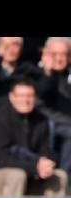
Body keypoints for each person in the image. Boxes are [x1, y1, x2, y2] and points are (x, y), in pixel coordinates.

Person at [0, 77, 67, 197]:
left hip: (30, 174)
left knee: (59, 176)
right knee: (16, 175)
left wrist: (47, 165)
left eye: (30, 96)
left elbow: (45, 152)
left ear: (35, 98)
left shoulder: (42, 120)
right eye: (21, 96)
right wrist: (34, 167)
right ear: (12, 97)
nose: (25, 100)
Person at [0, 37, 41, 122]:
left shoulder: (27, 69)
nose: (10, 49)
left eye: (15, 45)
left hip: (22, 120)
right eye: (5, 45)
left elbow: (42, 86)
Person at [36, 37, 71, 181]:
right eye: (54, 54)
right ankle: (64, 180)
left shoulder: (67, 75)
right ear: (45, 54)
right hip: (42, 122)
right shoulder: (34, 72)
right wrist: (48, 73)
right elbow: (40, 100)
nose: (59, 59)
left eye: (63, 54)